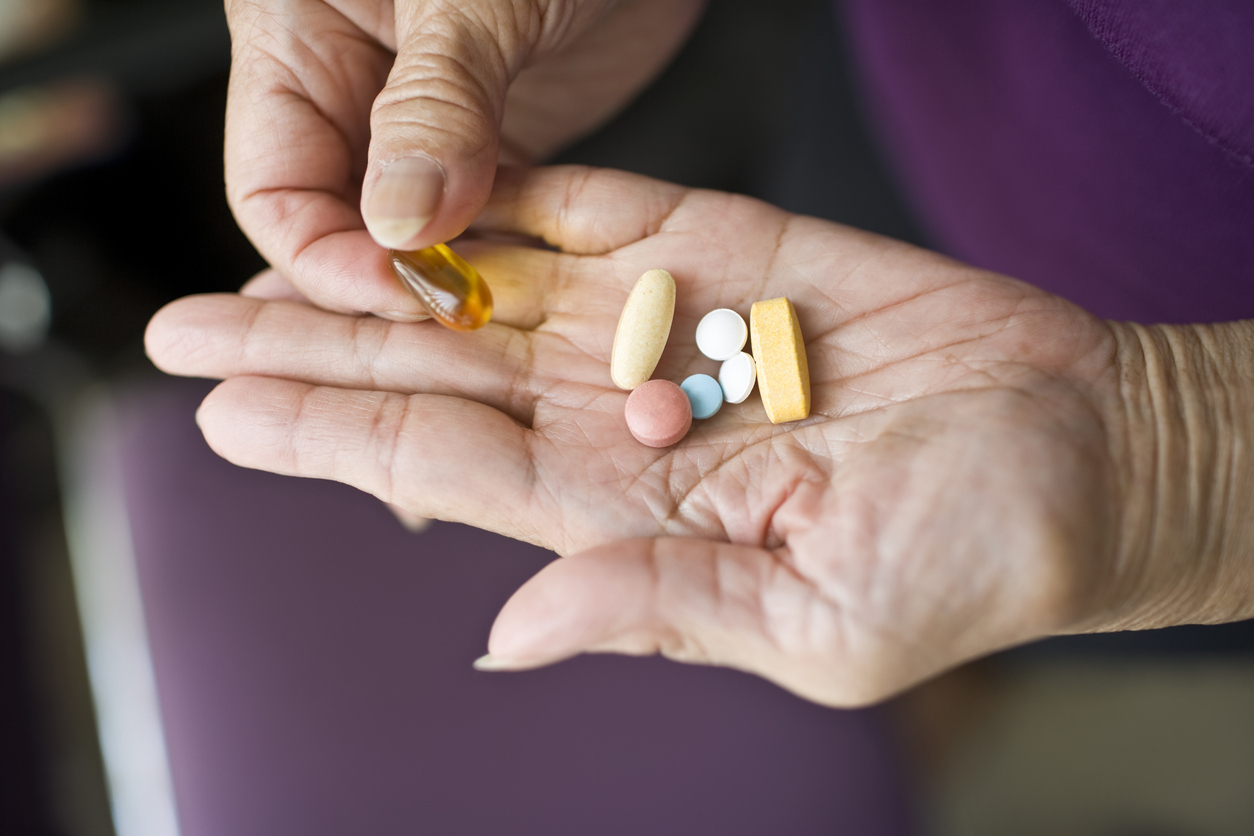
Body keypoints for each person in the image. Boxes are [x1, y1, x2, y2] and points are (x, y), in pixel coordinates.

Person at [145, 0, 1254, 706]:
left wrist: (1170, 451)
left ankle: (978, 688)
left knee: (1016, 609)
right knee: (957, 614)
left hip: (1188, 411)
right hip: (910, 129)